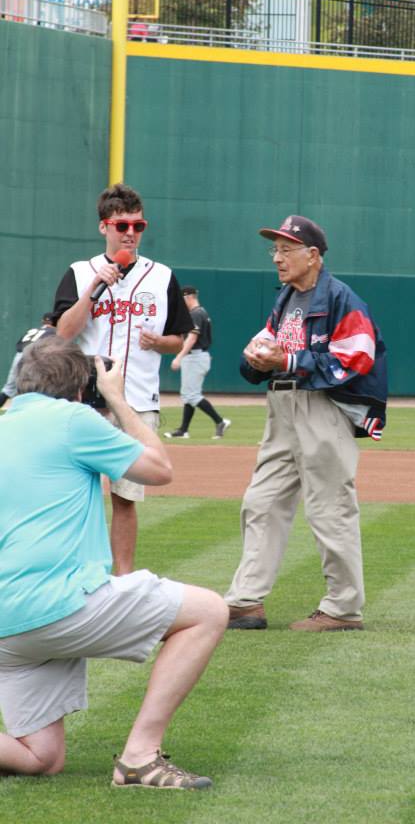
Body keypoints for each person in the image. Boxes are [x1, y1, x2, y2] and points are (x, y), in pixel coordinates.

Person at [0, 336, 228, 787]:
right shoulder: (71, 418)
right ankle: (139, 758)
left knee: (41, 758)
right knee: (208, 611)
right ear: (80, 389)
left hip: (9, 627)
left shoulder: (5, 422)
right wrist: (119, 400)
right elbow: (159, 469)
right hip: (56, 606)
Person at [225, 215, 388, 632]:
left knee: (330, 508)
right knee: (261, 502)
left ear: (312, 255)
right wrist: (257, 357)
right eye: (274, 249)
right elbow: (272, 348)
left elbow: (358, 357)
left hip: (322, 408)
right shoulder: (287, 298)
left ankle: (343, 609)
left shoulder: (340, 298)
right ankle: (246, 602)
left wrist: (289, 360)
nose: (277, 258)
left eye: (285, 249)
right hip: (282, 406)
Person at [53, 184, 193, 575]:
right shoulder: (81, 273)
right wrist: (95, 289)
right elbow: (63, 332)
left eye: (138, 224)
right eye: (122, 224)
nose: (130, 232)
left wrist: (161, 341)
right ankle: (75, 573)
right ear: (105, 227)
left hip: (136, 402)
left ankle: (123, 580)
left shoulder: (161, 276)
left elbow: (178, 339)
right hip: (82, 401)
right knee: (75, 494)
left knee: (126, 497)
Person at [164, 285, 231, 440]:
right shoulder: (201, 312)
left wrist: (179, 356)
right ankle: (183, 430)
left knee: (191, 395)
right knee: (189, 395)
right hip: (198, 356)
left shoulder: (195, 313)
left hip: (195, 356)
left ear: (189, 297)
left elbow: (192, 338)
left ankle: (220, 421)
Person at [0, 312, 57, 408]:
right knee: (40, 391)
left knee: (8, 390)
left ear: (43, 321)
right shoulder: (53, 332)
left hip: (19, 356)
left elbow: (19, 345)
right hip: (35, 357)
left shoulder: (32, 330)